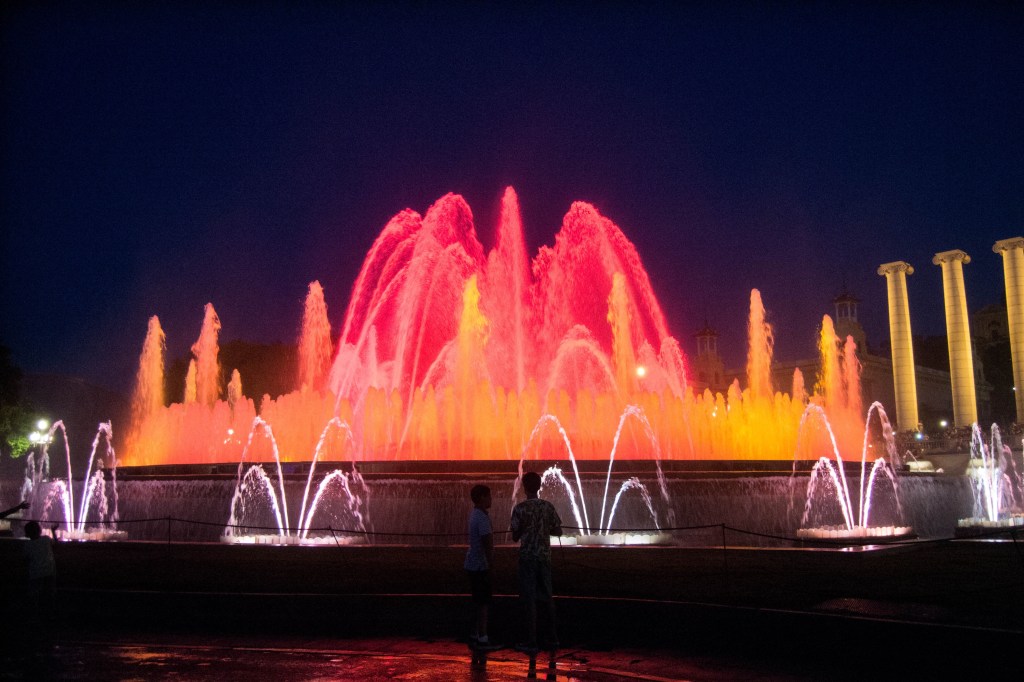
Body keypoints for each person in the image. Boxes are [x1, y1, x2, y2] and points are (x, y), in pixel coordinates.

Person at [510, 471, 562, 651]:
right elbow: (558, 531)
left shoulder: (520, 509)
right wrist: (544, 529)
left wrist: (526, 529)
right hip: (544, 557)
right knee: (548, 597)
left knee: (529, 598)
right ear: (540, 486)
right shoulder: (547, 507)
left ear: (524, 488)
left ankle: (532, 640)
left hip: (527, 558)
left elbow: (515, 536)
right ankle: (553, 637)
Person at [464, 484, 498, 649]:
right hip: (480, 565)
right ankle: (483, 638)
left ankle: (474, 634)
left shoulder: (475, 515)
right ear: (482, 498)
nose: (491, 499)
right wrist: (492, 565)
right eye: (489, 496)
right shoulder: (482, 518)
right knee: (483, 601)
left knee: (477, 601)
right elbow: (487, 543)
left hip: (472, 563)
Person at [23, 521, 57, 650]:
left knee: (35, 596)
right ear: (39, 530)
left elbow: (25, 560)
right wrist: (53, 531)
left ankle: (35, 618)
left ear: (27, 533)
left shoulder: (27, 545)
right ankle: (49, 617)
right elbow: (56, 542)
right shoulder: (46, 540)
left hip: (35, 574)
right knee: (49, 595)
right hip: (49, 573)